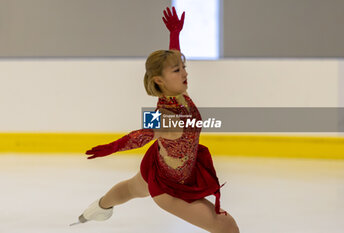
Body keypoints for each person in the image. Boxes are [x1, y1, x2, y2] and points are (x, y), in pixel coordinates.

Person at [75, 7, 240, 233]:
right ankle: (98, 208)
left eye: (184, 67)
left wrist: (175, 35)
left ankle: (98, 208)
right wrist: (111, 147)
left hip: (163, 164)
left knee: (131, 189)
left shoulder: (176, 94)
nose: (184, 73)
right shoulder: (166, 115)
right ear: (159, 80)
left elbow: (172, 61)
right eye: (177, 70)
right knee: (227, 227)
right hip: (170, 188)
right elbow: (141, 136)